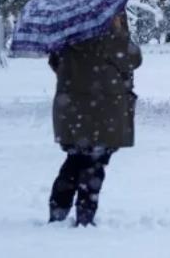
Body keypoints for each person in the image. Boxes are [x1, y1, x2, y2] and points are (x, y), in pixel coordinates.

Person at [48, 12, 142, 226]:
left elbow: (55, 63)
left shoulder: (66, 28)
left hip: (71, 108)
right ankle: (85, 216)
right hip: (104, 110)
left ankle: (58, 211)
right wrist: (120, 32)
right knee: (94, 163)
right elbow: (133, 59)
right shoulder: (110, 29)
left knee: (75, 160)